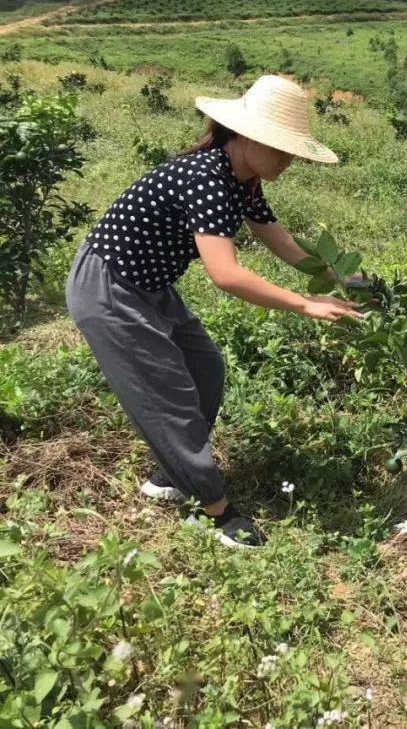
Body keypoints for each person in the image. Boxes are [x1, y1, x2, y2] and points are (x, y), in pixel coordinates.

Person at [66, 75, 361, 549]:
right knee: (169, 396)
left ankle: (170, 475)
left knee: (205, 369)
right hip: (109, 288)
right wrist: (305, 303)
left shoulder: (242, 181)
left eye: (291, 151)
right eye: (280, 149)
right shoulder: (207, 176)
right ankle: (213, 511)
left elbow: (276, 237)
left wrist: (339, 276)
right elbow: (225, 273)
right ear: (244, 136)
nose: (287, 160)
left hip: (150, 286)